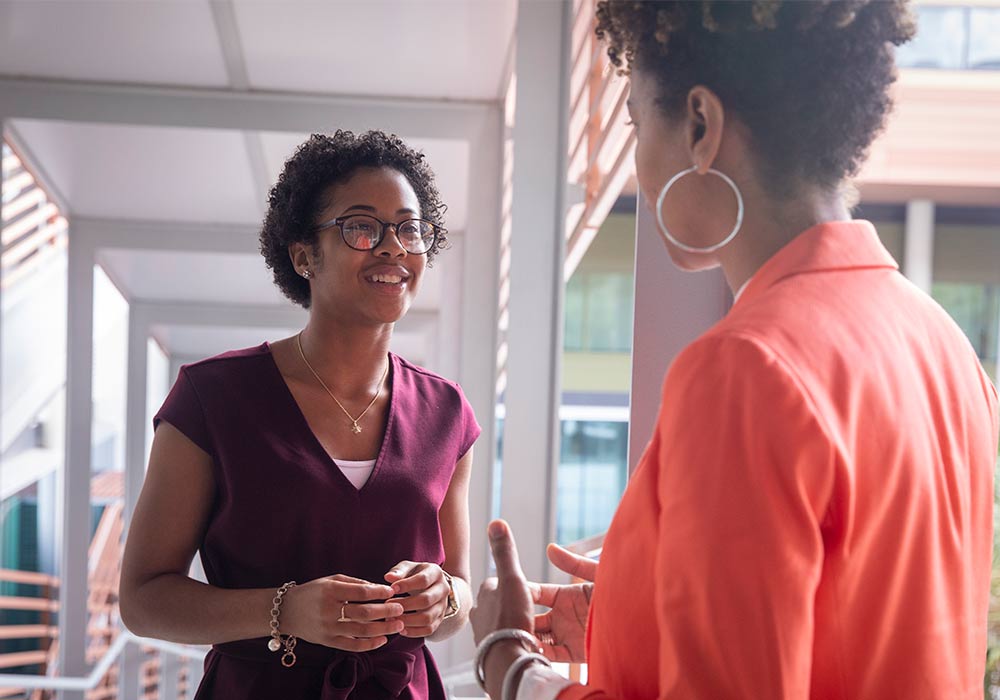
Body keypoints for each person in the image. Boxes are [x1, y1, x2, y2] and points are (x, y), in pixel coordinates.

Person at [471, 2, 1000, 699]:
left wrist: (512, 667)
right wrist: (641, 612)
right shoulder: (946, 349)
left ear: (699, 125)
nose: (638, 164)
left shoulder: (746, 368)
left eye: (635, 123)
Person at [120, 130, 481, 699]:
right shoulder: (212, 398)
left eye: (410, 229)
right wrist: (284, 611)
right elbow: (143, 600)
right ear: (303, 255)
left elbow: (461, 595)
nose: (393, 247)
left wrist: (445, 597)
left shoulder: (448, 413)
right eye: (362, 227)